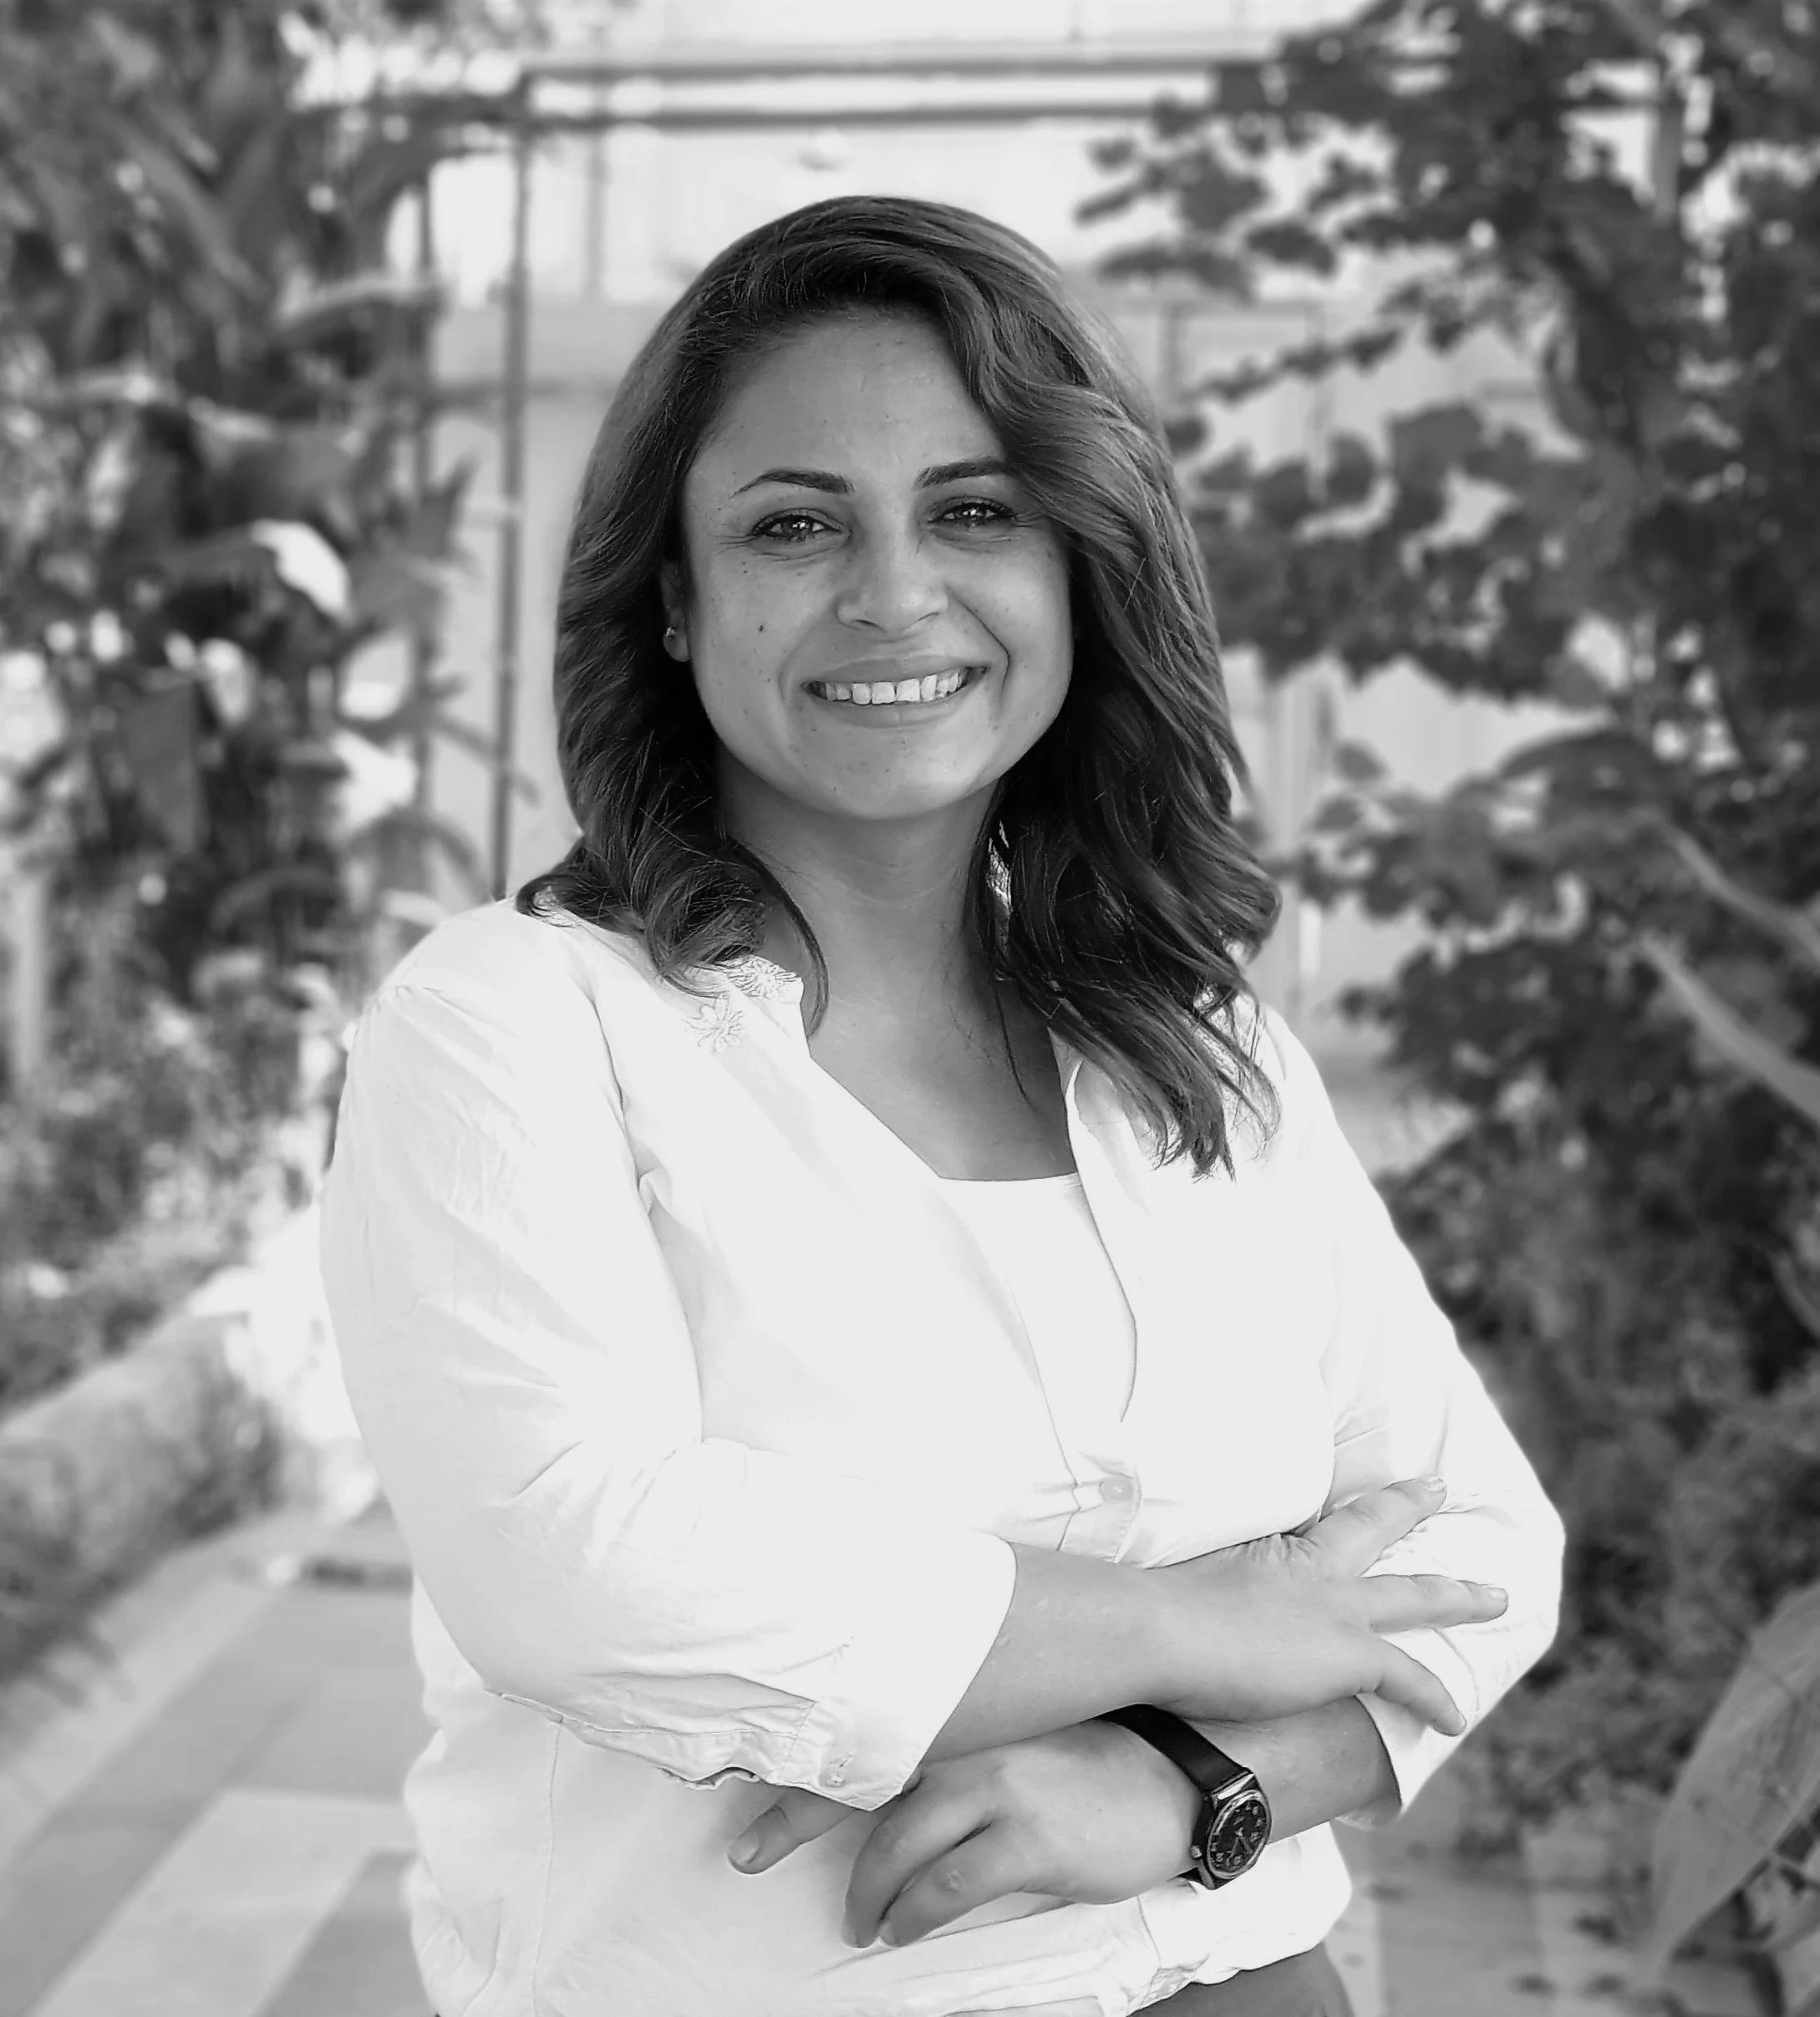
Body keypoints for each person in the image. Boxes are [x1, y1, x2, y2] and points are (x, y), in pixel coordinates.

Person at [318, 195, 1563, 2017]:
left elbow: (1477, 1544)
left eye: (976, 510)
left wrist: (1184, 1784)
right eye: (794, 522)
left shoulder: (1190, 1035)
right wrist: (1201, 1624)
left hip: (1249, 1976)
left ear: (1080, 568)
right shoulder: (510, 1023)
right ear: (671, 598)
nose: (894, 594)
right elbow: (573, 1561)